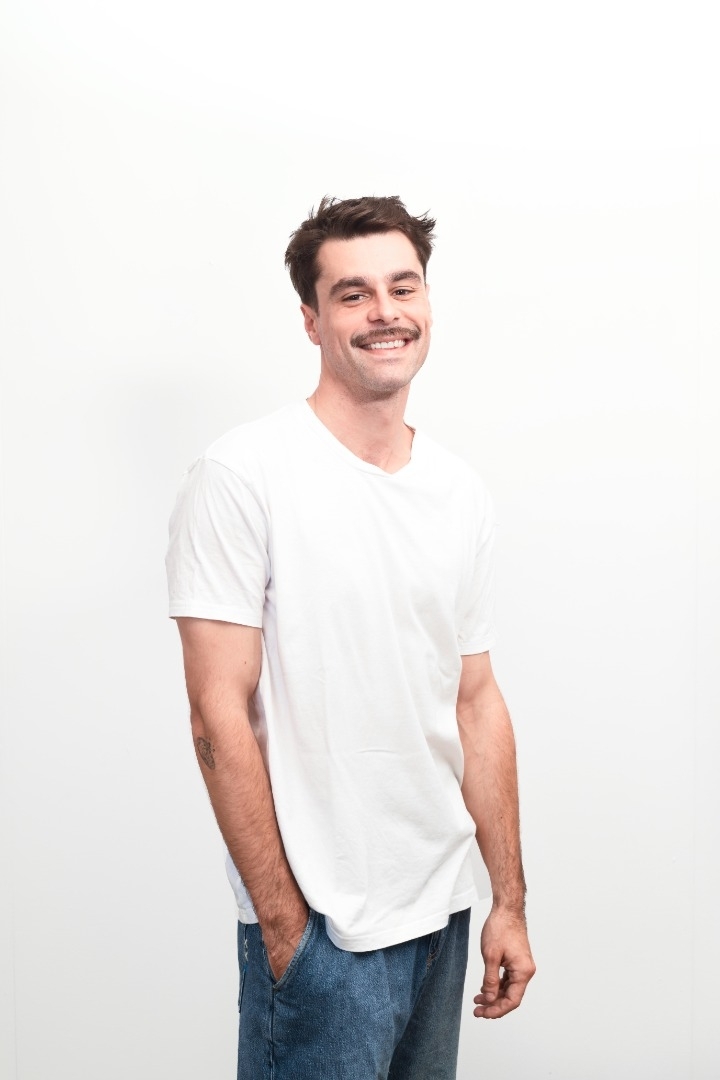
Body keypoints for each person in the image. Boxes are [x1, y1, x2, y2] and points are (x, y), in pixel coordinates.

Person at [166, 195, 535, 1079]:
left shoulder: (459, 491)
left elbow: (475, 701)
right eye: (353, 293)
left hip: (442, 914)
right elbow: (218, 716)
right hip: (325, 933)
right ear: (312, 319)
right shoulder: (242, 474)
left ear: (427, 303)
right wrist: (284, 926)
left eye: (403, 288)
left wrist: (507, 901)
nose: (385, 313)